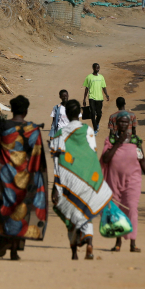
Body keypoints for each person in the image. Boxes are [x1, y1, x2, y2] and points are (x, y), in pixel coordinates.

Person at [0, 95, 48, 261]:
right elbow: (37, 158)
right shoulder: (33, 130)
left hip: (3, 178)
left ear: (12, 110)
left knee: (0, 210)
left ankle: (3, 242)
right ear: (26, 111)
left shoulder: (2, 126)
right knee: (20, 213)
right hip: (25, 179)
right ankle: (14, 250)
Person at [49, 100, 112, 260]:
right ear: (80, 114)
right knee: (85, 211)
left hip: (68, 179)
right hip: (87, 177)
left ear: (67, 115)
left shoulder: (60, 134)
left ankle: (74, 252)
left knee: (72, 212)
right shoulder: (88, 130)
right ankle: (89, 242)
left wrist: (56, 186)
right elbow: (91, 153)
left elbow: (56, 159)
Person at [101, 112, 145, 253]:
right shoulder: (111, 140)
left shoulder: (136, 140)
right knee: (116, 211)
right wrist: (118, 143)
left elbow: (142, 160)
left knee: (132, 208)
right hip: (114, 180)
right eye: (121, 122)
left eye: (126, 122)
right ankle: (118, 242)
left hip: (133, 180)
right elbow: (106, 159)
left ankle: (133, 243)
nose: (123, 124)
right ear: (116, 124)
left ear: (129, 124)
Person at [83, 63, 109, 133]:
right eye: (96, 67)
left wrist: (106, 95)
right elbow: (86, 89)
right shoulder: (89, 77)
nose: (97, 69)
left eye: (98, 67)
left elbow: (104, 87)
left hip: (99, 98)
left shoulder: (101, 77)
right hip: (91, 97)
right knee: (92, 113)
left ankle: (96, 124)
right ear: (93, 68)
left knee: (99, 114)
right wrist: (84, 99)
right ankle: (95, 129)